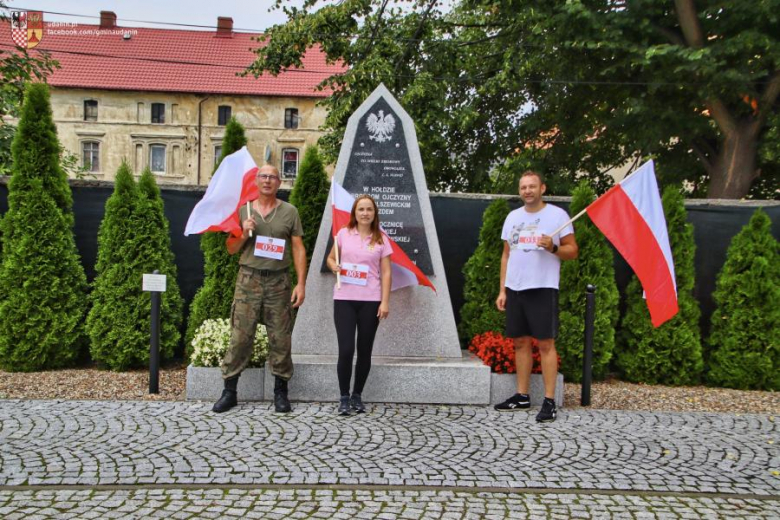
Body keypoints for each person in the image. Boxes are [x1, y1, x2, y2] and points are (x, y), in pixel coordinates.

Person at [212, 164, 307, 414]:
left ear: (279, 182)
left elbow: (298, 248)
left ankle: (280, 393)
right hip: (249, 279)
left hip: (279, 282)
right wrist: (243, 233)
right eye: (263, 176)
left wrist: (301, 283)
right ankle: (229, 392)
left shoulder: (289, 212)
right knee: (240, 337)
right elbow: (231, 248)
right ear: (256, 181)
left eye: (272, 177)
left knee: (280, 337)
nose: (267, 180)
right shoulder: (243, 210)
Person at [494, 170, 578, 422]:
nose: (527, 191)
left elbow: (572, 250)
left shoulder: (557, 216)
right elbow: (506, 255)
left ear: (542, 188)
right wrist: (502, 289)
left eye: (532, 186)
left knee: (545, 344)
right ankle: (522, 395)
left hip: (542, 287)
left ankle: (549, 400)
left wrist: (552, 247)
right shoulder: (512, 217)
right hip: (515, 288)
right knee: (520, 342)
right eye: (523, 187)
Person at [326, 194, 392, 416]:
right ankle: (343, 396)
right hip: (344, 298)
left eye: (369, 209)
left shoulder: (381, 238)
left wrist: (385, 301)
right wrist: (334, 265)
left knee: (365, 351)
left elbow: (386, 272)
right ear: (354, 212)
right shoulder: (343, 234)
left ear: (375, 213)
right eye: (361, 209)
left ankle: (357, 396)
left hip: (371, 301)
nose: (365, 213)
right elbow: (330, 259)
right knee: (346, 349)